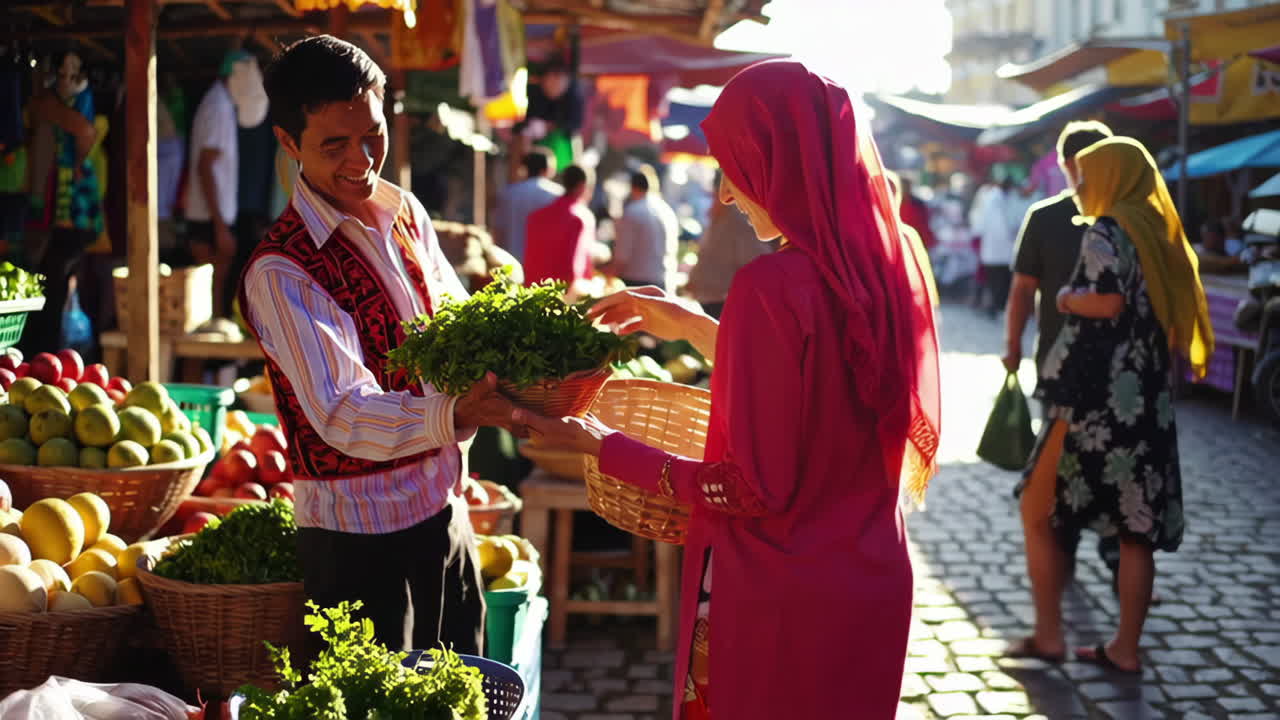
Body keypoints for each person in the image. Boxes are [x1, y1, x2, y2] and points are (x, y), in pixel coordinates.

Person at [511, 60, 941, 720]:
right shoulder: (884, 271)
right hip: (870, 583)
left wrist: (601, 447)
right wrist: (692, 327)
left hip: (781, 600)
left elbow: (745, 489)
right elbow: (825, 377)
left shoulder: (771, 289)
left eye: (733, 169)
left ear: (781, 162)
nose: (726, 197)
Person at [240, 35, 521, 653]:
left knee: (465, 695)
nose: (361, 159)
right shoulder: (282, 269)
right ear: (289, 144)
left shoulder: (405, 213)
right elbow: (343, 409)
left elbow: (449, 325)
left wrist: (506, 359)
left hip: (446, 514)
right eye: (333, 145)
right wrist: (456, 413)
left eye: (372, 134)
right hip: (359, 552)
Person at [1010, 136, 1212, 673]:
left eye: (1086, 175)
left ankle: (1049, 634)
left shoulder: (1107, 228)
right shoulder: (1157, 230)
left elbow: (1107, 300)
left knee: (1035, 505)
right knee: (1134, 525)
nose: (1079, 185)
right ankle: (1124, 647)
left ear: (1112, 177)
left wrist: (1064, 298)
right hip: (1144, 394)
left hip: (1093, 397)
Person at [1004, 121, 1127, 591]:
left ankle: (1073, 561)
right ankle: (1108, 562)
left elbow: (1021, 293)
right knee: (1110, 465)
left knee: (1066, 466)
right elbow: (1021, 290)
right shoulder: (1127, 216)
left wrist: (1012, 347)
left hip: (1067, 366)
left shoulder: (1059, 215)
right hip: (1114, 371)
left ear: (1061, 164)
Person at [20, 49, 103, 357]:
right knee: (47, 282)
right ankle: (42, 352)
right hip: (51, 209)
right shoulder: (50, 103)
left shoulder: (73, 103)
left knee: (54, 283)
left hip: (72, 211)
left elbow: (84, 132)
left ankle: (46, 353)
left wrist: (53, 110)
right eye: (63, 71)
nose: (67, 78)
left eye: (74, 72)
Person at [184, 51, 244, 320]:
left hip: (212, 216)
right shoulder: (217, 105)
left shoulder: (222, 103)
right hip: (209, 218)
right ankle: (205, 363)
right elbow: (205, 166)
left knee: (211, 301)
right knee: (205, 306)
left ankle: (213, 363)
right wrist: (220, 227)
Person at [682, 180, 773, 319]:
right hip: (709, 297)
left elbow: (758, 259)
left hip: (723, 300)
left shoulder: (739, 219)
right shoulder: (719, 218)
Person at [522, 164, 596, 296]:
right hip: (564, 295)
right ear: (583, 185)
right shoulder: (581, 217)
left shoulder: (537, 216)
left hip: (533, 291)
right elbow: (575, 266)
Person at [609, 166, 680, 292]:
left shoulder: (632, 212)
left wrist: (608, 275)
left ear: (633, 187)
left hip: (636, 281)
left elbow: (622, 256)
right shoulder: (666, 210)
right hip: (662, 280)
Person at [492, 148, 562, 263]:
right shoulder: (557, 195)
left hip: (510, 260)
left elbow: (498, 230)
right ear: (548, 169)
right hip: (543, 261)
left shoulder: (508, 193)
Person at [973, 171, 1019, 316]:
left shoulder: (1007, 198)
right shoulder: (992, 198)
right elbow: (993, 224)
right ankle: (992, 306)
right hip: (995, 248)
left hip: (1003, 250)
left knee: (1003, 280)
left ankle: (998, 306)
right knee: (993, 281)